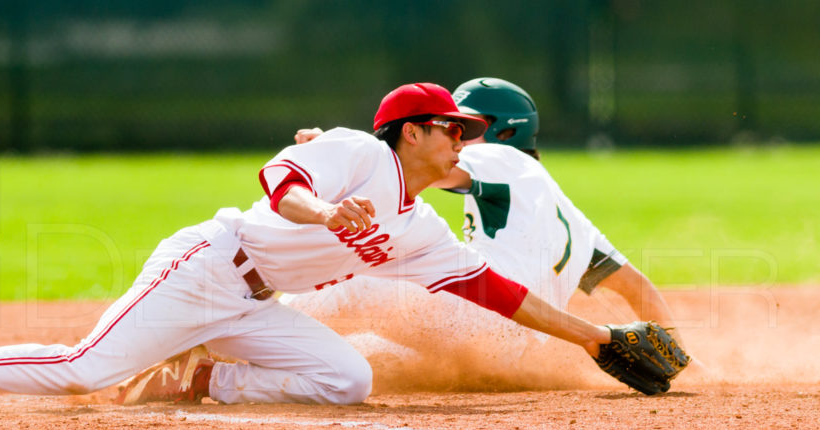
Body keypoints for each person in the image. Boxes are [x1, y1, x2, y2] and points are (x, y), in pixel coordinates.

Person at [0, 82, 638, 412]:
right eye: (453, 129)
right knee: (85, 368)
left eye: (472, 132)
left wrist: (600, 339)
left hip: (252, 306)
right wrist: (329, 211)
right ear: (412, 130)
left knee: (348, 378)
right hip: (205, 267)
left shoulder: (420, 227)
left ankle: (204, 378)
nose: (465, 140)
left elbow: (495, 292)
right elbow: (278, 180)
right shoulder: (358, 153)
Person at [282, 77, 693, 392]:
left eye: (463, 125)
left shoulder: (496, 156)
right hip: (520, 349)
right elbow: (636, 287)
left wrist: (334, 153)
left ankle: (234, 333)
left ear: (506, 132)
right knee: (376, 354)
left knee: (355, 280)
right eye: (451, 126)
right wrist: (686, 364)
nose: (455, 134)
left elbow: (408, 166)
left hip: (482, 317)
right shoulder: (563, 211)